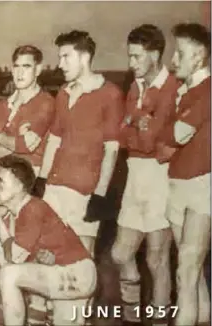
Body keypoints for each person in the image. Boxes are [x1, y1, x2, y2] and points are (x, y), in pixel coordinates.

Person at [113, 24, 179, 324]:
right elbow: (122, 133)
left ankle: (160, 318)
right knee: (120, 254)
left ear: (155, 54)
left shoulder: (173, 87)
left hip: (160, 178)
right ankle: (130, 317)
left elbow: (152, 141)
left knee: (157, 259)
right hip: (134, 176)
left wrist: (136, 127)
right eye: (130, 57)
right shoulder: (135, 86)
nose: (132, 63)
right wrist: (137, 126)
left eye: (137, 57)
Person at [39, 30, 124, 255]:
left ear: (84, 57)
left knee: (83, 258)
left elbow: (112, 149)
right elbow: (54, 139)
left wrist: (100, 194)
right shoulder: (64, 93)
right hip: (55, 186)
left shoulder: (110, 94)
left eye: (66, 57)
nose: (60, 64)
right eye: (60, 57)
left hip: (85, 190)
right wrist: (41, 178)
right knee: (46, 253)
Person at [0, 155, 96, 326]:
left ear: (19, 186)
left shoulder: (32, 208)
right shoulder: (15, 213)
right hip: (67, 274)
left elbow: (14, 259)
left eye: (0, 181)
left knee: (9, 274)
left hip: (76, 273)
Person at [161, 23, 211, 326]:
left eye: (180, 53)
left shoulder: (207, 91)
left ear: (199, 56)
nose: (174, 60)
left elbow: (175, 136)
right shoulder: (184, 91)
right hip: (177, 184)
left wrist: (153, 130)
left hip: (201, 186)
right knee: (192, 270)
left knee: (186, 271)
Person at [0, 44, 55, 194]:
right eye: (16, 66)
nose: (20, 72)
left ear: (38, 70)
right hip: (3, 178)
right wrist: (18, 141)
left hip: (33, 179)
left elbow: (27, 146)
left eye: (27, 66)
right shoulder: (3, 105)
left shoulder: (46, 102)